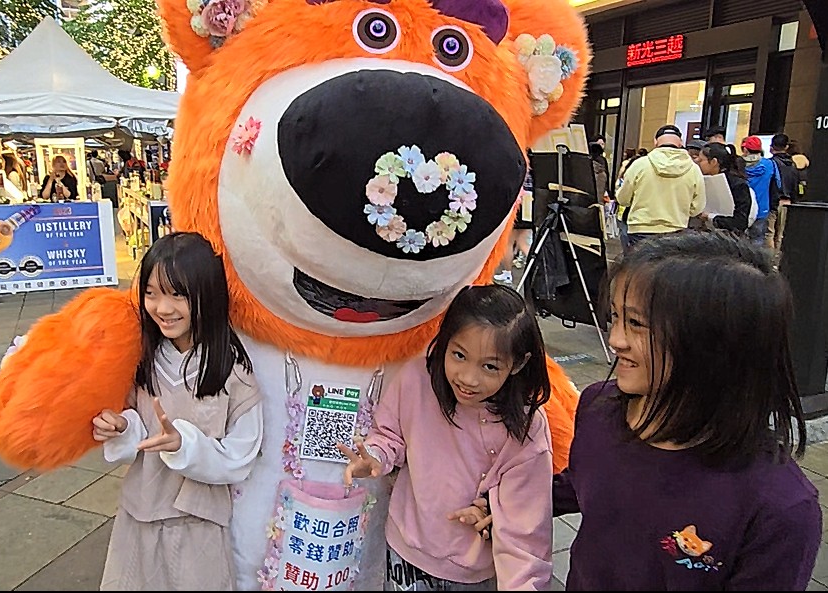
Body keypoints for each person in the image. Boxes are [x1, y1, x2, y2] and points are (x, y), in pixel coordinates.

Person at [553, 231, 821, 590]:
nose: (615, 340)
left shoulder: (779, 507)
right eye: (615, 316)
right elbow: (583, 483)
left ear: (714, 345)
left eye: (636, 324)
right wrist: (504, 503)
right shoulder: (598, 408)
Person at [338, 284, 554, 591]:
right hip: (404, 551)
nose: (468, 378)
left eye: (490, 366)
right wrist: (375, 456)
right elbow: (390, 434)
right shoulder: (417, 380)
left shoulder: (525, 426)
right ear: (444, 341)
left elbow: (526, 531)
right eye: (459, 355)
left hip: (472, 571)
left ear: (518, 363)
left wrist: (491, 508)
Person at [92, 232, 262, 590]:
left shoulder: (233, 372)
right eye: (151, 293)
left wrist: (184, 445)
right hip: (140, 513)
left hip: (199, 523)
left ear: (206, 294)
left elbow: (241, 455)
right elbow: (137, 424)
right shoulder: (142, 360)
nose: (162, 308)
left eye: (177, 294)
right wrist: (122, 427)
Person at [616, 125, 705, 247]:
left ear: (655, 142)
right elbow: (697, 208)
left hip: (640, 229)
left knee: (640, 260)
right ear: (680, 142)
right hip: (676, 231)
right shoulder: (693, 169)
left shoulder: (639, 165)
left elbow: (623, 199)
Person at [696, 142, 753, 234]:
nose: (697, 162)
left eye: (701, 160)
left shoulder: (738, 185)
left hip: (728, 237)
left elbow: (741, 222)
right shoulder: (699, 179)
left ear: (714, 162)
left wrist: (710, 217)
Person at [740, 136, 780, 247]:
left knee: (739, 241)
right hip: (762, 208)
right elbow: (778, 184)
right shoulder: (769, 164)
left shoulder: (739, 164)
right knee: (757, 240)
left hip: (742, 208)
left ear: (745, 149)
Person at [769, 133, 802, 252]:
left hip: (772, 201)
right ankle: (777, 258)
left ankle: (768, 258)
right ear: (786, 147)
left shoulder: (770, 163)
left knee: (769, 233)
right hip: (787, 202)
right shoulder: (793, 165)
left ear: (771, 147)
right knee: (780, 234)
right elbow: (795, 185)